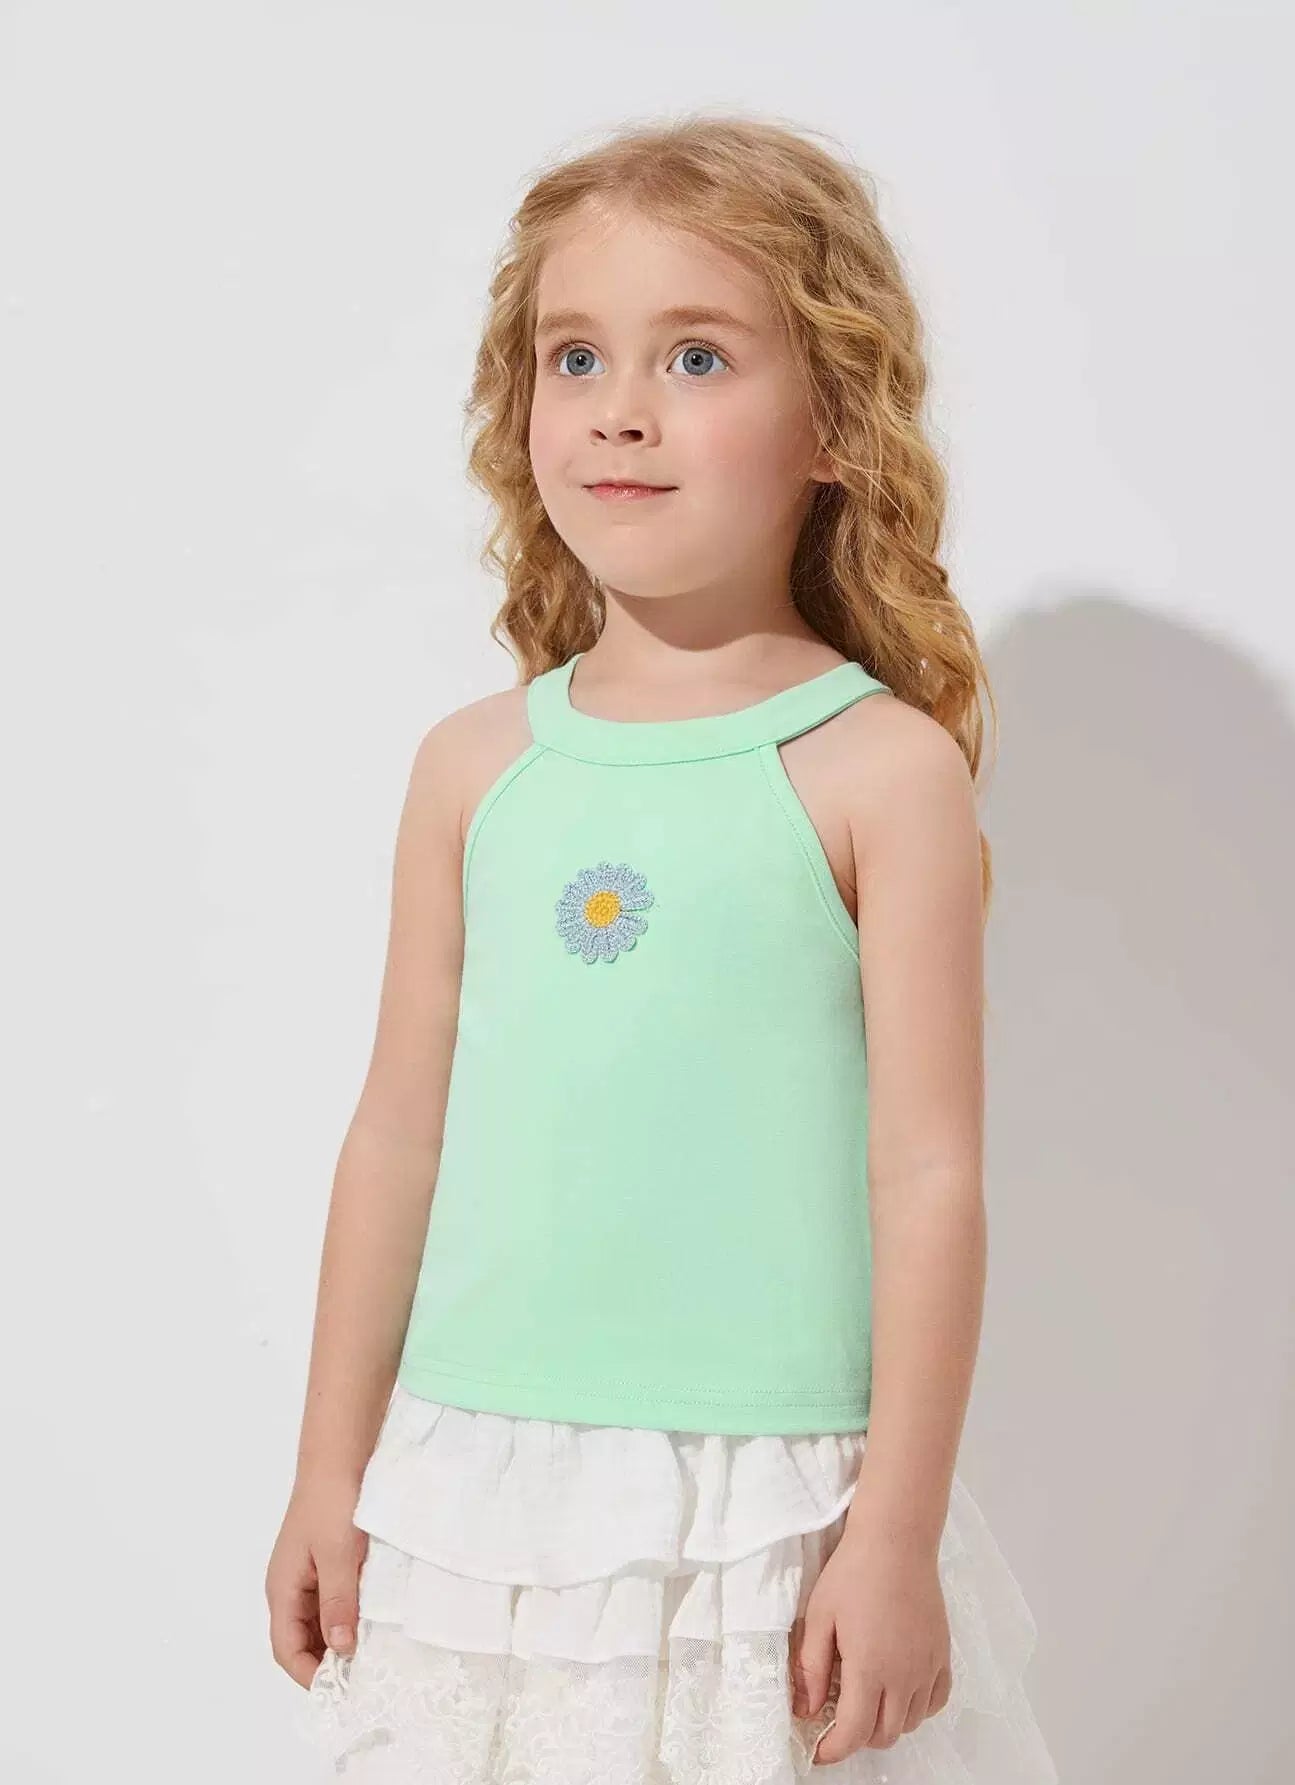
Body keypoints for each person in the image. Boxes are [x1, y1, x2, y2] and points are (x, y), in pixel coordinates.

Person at [267, 113, 1059, 1784]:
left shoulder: (878, 770)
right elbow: (397, 1134)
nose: (621, 407)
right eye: (577, 357)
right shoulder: (475, 766)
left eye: (696, 355)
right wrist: (327, 1471)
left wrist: (895, 1530)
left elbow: (930, 1175)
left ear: (834, 418)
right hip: (480, 1508)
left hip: (771, 1507)